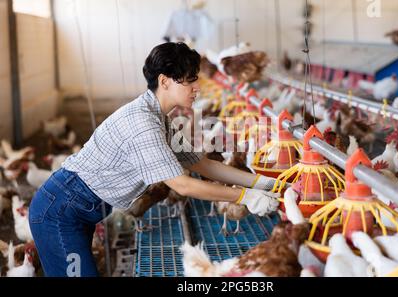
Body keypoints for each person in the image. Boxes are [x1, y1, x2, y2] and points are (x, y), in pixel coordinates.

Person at [29, 42, 280, 277]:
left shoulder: (159, 118)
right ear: (165, 81)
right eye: (190, 80)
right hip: (60, 210)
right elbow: (183, 185)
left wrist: (264, 183)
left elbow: (201, 164)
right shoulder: (143, 123)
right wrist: (243, 196)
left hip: (78, 208)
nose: (197, 88)